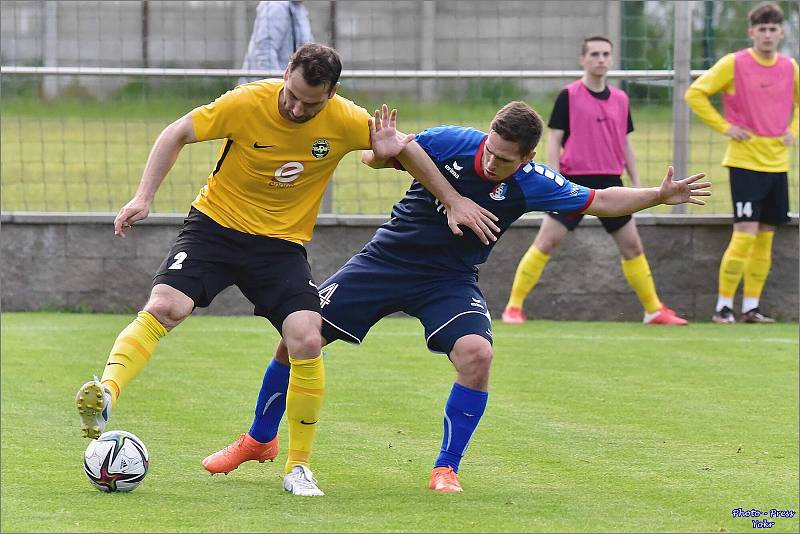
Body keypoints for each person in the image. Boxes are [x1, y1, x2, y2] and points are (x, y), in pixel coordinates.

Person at [201, 101, 710, 496]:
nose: (491, 159)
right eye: (490, 148)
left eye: (505, 158)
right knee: (298, 339)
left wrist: (658, 197)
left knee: (477, 355)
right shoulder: (449, 141)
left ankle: (446, 467)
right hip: (383, 263)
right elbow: (379, 157)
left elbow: (597, 200)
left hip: (448, 280)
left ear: (527, 158)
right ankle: (258, 439)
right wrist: (380, 151)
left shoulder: (532, 183)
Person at [74, 43, 500, 496]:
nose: (296, 107)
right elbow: (175, 132)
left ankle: (298, 466)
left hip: (279, 247)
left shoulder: (346, 118)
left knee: (306, 337)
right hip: (215, 228)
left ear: (332, 92)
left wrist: (447, 196)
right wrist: (143, 197)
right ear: (285, 73)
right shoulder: (245, 102)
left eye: (310, 102)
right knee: (166, 306)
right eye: (291, 94)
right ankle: (106, 396)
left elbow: (405, 152)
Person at [501, 36, 687, 326]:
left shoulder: (621, 99)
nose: (601, 59)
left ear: (611, 59)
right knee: (546, 242)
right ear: (583, 59)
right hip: (573, 181)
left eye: (606, 54)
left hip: (611, 180)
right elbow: (555, 138)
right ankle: (513, 308)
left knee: (632, 247)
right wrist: (554, 176)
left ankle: (653, 310)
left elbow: (625, 144)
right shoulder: (569, 95)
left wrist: (637, 182)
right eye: (595, 54)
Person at [685, 1, 798, 324]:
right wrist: (726, 127)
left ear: (781, 33)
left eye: (772, 29)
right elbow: (695, 93)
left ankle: (751, 306)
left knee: (766, 236)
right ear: (751, 33)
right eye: (761, 30)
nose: (767, 35)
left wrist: (793, 130)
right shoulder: (734, 63)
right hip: (745, 162)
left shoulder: (790, 66)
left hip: (778, 164)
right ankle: (723, 306)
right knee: (745, 233)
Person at [238, 1, 314, 85]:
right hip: (267, 88)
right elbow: (265, 52)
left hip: (289, 88)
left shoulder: (299, 9)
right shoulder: (276, 7)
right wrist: (281, 86)